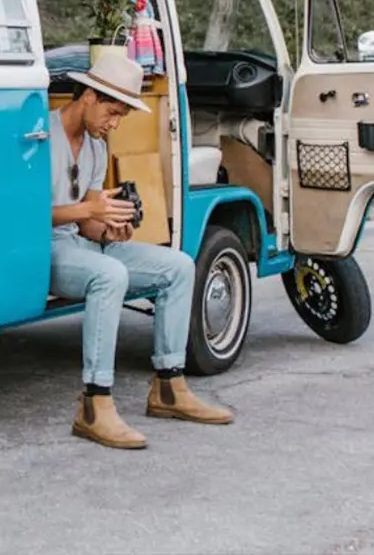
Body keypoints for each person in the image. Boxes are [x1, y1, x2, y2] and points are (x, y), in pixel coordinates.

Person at [50, 50, 233, 450]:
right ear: (89, 96)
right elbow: (26, 216)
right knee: (109, 275)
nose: (114, 123)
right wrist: (89, 210)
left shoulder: (96, 147)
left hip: (81, 244)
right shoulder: (42, 136)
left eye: (121, 117)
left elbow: (88, 223)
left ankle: (169, 387)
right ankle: (94, 404)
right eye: (112, 113)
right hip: (43, 249)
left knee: (179, 267)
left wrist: (111, 228)